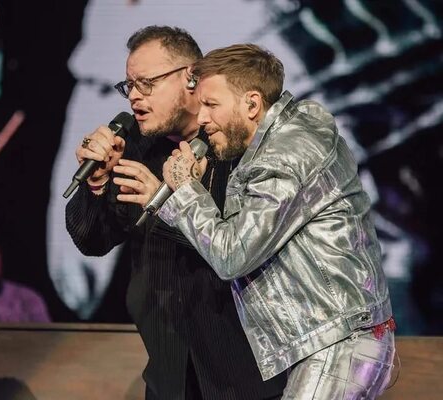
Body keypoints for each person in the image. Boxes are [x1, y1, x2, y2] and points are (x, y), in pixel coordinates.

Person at [158, 43, 396, 398]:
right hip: (336, 341)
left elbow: (232, 255)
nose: (202, 118)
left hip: (339, 345)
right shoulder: (283, 141)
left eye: (211, 105)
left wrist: (186, 192)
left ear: (252, 104)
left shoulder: (286, 156)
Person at [66, 26, 286, 399]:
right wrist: (98, 184)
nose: (134, 96)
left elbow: (239, 249)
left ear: (191, 77)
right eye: (129, 86)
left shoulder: (238, 143)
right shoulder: (134, 145)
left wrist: (166, 202)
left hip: (247, 376)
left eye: (146, 83)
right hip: (170, 376)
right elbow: (91, 241)